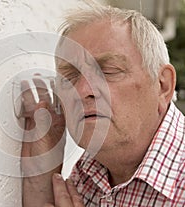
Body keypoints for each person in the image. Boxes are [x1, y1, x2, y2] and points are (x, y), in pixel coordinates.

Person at [21, 2, 184, 207]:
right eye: (69, 77)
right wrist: (41, 180)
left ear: (163, 86)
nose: (82, 91)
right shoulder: (87, 173)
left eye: (108, 71)